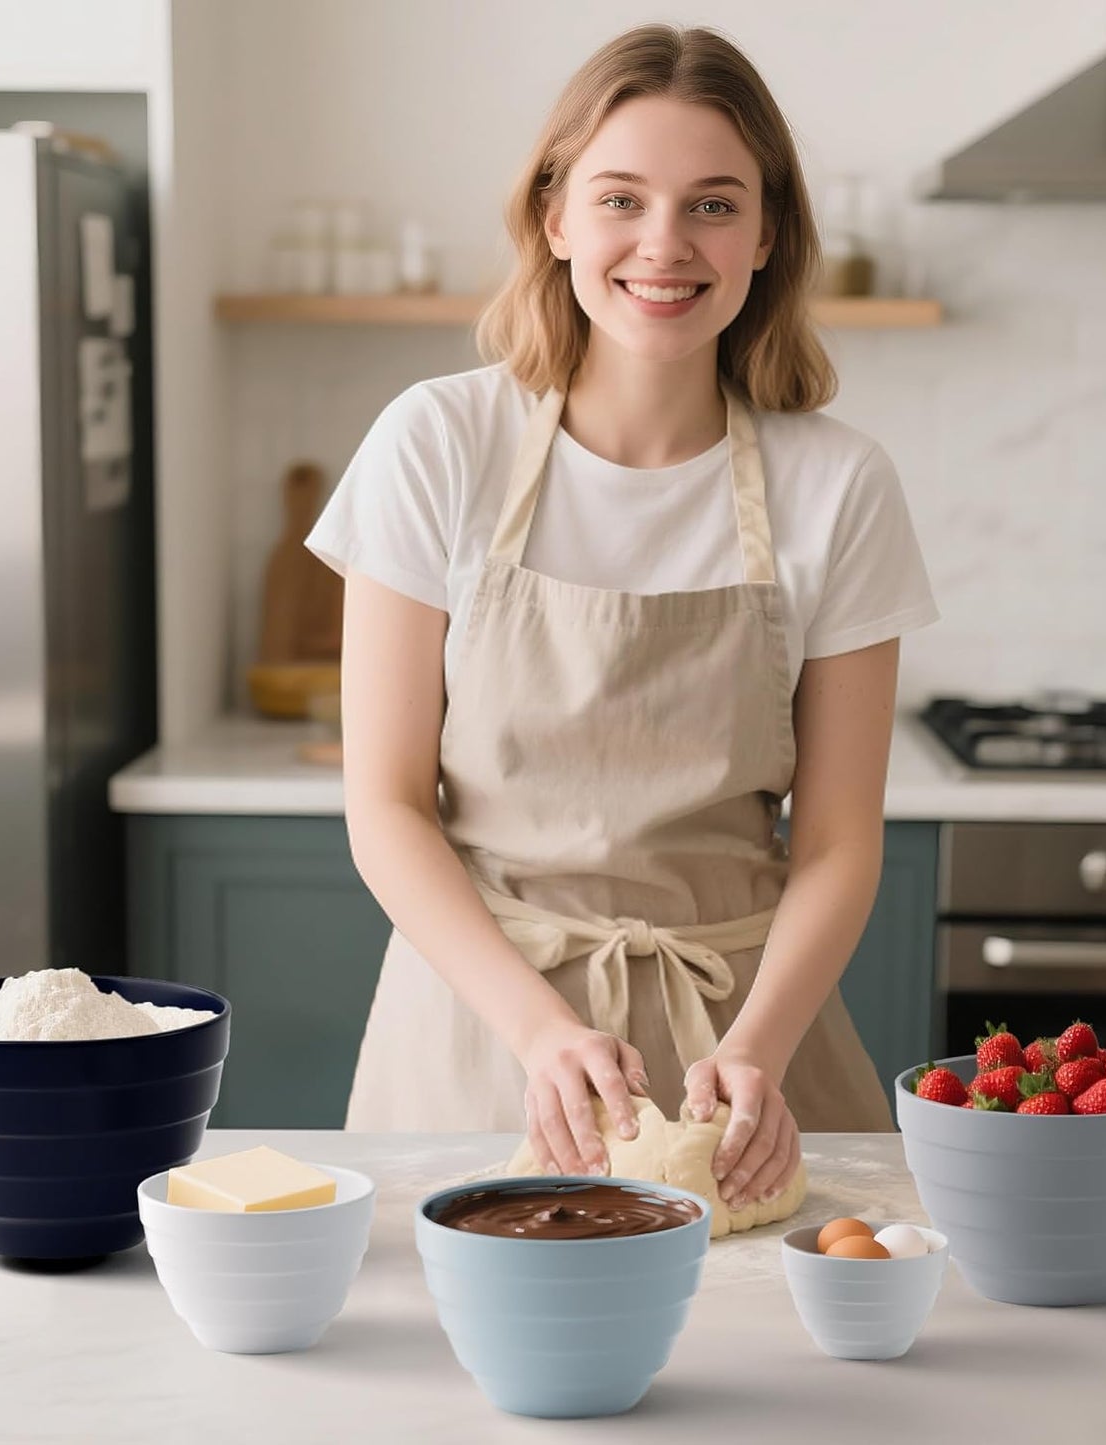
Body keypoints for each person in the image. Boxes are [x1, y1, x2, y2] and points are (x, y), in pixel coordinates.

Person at [306, 23, 938, 1215]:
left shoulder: (837, 483)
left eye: (711, 204)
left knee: (785, 1386)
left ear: (765, 237)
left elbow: (840, 839)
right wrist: (539, 1029)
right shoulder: (439, 442)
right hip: (481, 1023)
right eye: (620, 198)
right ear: (553, 219)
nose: (664, 244)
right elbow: (386, 804)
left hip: (746, 1045)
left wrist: (755, 1047)